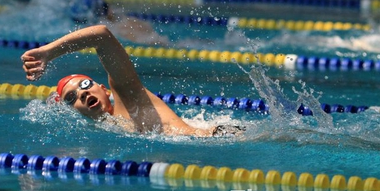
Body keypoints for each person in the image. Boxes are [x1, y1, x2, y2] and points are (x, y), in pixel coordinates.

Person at [21, 24, 243, 137]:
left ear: (104, 89)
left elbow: (101, 35)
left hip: (223, 137)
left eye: (85, 85)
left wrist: (48, 52)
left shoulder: (129, 99)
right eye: (72, 97)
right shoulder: (106, 128)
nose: (83, 93)